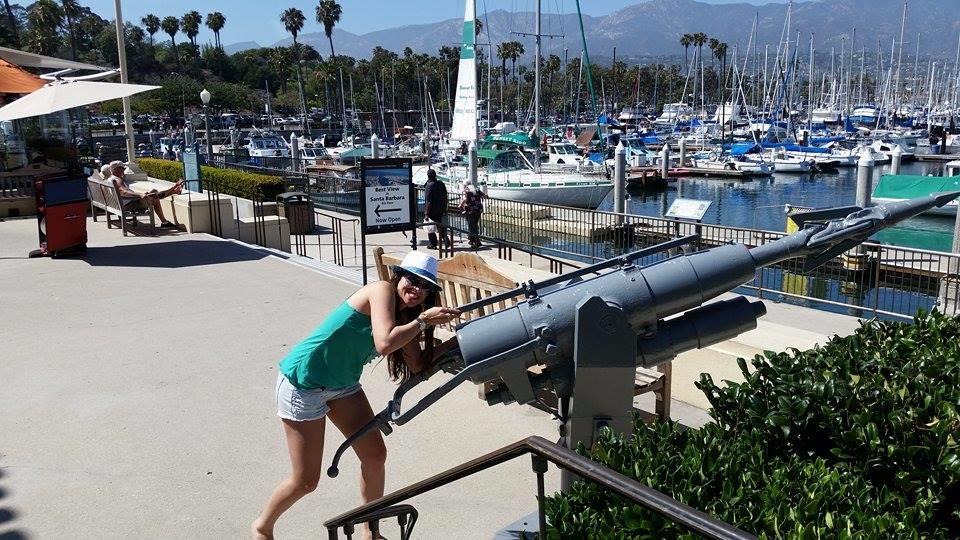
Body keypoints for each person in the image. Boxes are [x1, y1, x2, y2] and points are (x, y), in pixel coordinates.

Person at [252, 251, 461, 540]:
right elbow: (385, 342)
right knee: (305, 481)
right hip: (304, 383)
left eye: (426, 287)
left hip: (343, 385)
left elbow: (415, 364)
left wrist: (457, 342)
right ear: (398, 276)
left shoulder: (407, 315)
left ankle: (369, 532)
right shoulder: (381, 290)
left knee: (375, 455)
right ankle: (262, 526)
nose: (417, 290)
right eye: (412, 280)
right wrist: (424, 321)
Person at [108, 161, 183, 229]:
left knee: (154, 192)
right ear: (115, 170)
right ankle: (164, 222)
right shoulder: (117, 180)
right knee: (155, 198)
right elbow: (124, 192)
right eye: (122, 169)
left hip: (122, 203)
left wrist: (140, 195)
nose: (124, 170)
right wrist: (140, 194)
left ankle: (174, 190)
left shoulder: (110, 179)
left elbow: (123, 192)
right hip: (129, 205)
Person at [423, 169, 450, 250]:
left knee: (430, 227)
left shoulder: (429, 186)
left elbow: (429, 201)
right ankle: (446, 240)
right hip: (441, 208)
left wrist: (426, 213)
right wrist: (445, 207)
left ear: (428, 176)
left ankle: (433, 244)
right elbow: (445, 196)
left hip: (432, 210)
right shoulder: (441, 183)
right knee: (440, 225)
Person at [459, 178, 484, 249]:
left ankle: (477, 242)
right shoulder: (477, 189)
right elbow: (484, 195)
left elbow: (465, 199)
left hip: (470, 210)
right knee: (474, 225)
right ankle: (472, 239)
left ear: (465, 185)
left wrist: (460, 204)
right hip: (478, 210)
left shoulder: (466, 190)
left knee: (472, 226)